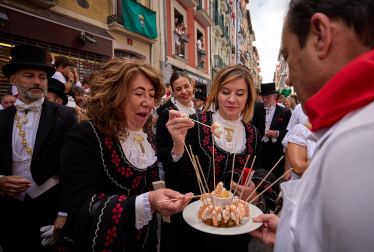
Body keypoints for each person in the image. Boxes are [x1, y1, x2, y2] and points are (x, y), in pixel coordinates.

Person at [251, 0, 374, 251]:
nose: (287, 77)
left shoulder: (360, 146)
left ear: (320, 36)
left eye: (288, 55)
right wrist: (291, 232)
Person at [53, 57, 192, 252]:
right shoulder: (85, 135)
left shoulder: (145, 135)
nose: (148, 102)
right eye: (139, 93)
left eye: (151, 95)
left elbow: (166, 183)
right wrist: (148, 201)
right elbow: (82, 208)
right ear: (114, 95)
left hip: (145, 242)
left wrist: (178, 143)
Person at [160, 65, 280, 252]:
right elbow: (176, 181)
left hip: (234, 230)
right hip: (196, 228)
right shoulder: (196, 124)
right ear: (216, 93)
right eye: (226, 92)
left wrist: (255, 191)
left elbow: (256, 172)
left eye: (240, 93)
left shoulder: (253, 134)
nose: (232, 99)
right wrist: (177, 145)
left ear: (248, 97)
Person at [0, 44, 77, 252]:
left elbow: (75, 168)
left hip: (50, 207)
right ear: (13, 80)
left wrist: (64, 213)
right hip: (10, 210)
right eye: (29, 76)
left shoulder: (65, 115)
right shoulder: (1, 118)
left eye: (42, 77)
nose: (37, 82)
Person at [259, 83, 291, 178]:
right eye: (263, 97)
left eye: (267, 97)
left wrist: (277, 133)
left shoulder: (284, 112)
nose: (264, 100)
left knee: (275, 178)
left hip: (277, 152)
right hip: (261, 152)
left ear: (274, 96)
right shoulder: (257, 110)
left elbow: (289, 133)